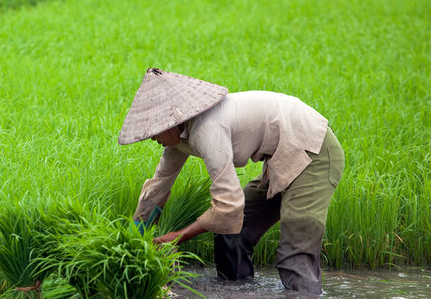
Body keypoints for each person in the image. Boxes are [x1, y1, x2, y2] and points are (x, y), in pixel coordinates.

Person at [118, 68, 345, 295]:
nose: (152, 138)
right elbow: (159, 186)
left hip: (313, 152)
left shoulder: (208, 130)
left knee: (294, 254)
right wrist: (134, 237)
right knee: (233, 233)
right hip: (282, 158)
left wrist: (176, 237)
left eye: (153, 131)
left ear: (170, 122)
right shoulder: (178, 138)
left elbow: (228, 205)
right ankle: (238, 293)